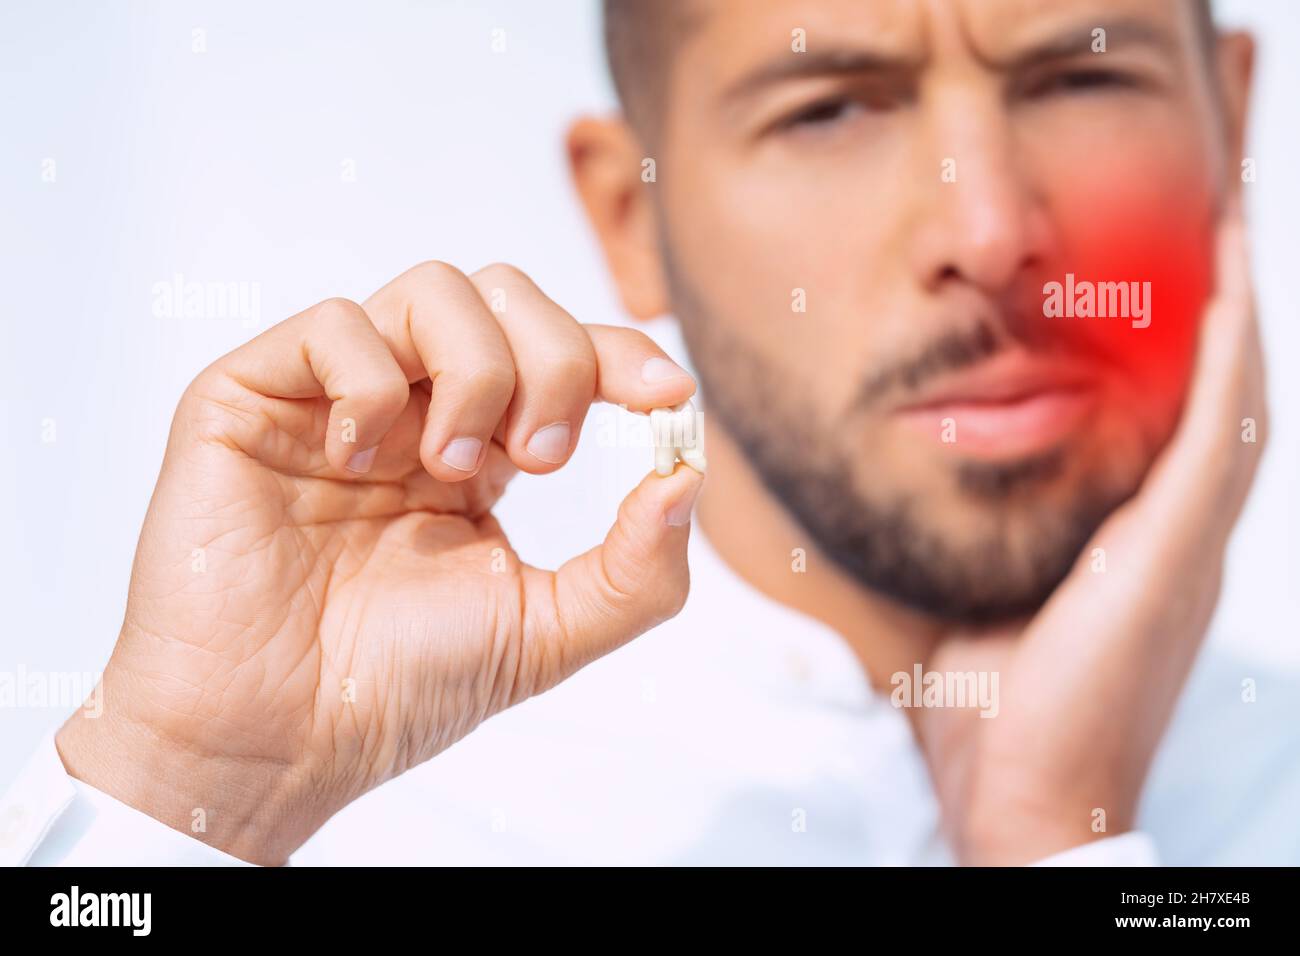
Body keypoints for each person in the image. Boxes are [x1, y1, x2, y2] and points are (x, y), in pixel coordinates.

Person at [4, 0, 1295, 866]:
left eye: (1081, 77)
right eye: (830, 109)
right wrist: (190, 794)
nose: (990, 232)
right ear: (629, 216)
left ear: (1230, 121)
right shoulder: (369, 823)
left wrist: (1053, 839)